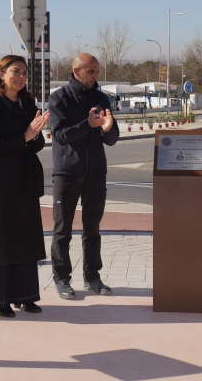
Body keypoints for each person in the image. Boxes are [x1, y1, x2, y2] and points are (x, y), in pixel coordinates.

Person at [0, 55, 49, 318]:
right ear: (1, 73)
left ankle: (26, 296)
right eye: (16, 71)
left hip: (24, 179)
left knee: (25, 237)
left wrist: (37, 134)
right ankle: (0, 300)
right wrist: (27, 135)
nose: (21, 77)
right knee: (0, 240)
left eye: (25, 73)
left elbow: (36, 144)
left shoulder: (27, 103)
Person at [49, 53, 119, 300]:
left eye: (97, 71)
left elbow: (111, 138)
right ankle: (62, 279)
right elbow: (60, 136)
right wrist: (87, 125)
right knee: (62, 230)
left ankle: (92, 277)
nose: (95, 76)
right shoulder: (59, 98)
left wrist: (109, 130)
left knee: (92, 229)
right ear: (76, 71)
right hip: (67, 173)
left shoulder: (101, 98)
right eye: (91, 71)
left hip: (96, 173)